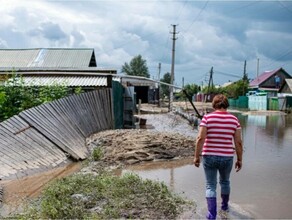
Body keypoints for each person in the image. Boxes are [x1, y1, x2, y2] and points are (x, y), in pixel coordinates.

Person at [194, 94, 243, 219]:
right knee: (225, 182)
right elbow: (238, 142)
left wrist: (196, 156)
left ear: (214, 105)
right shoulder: (234, 120)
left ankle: (212, 215)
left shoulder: (207, 118)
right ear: (226, 105)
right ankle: (225, 207)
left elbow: (200, 138)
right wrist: (240, 159)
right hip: (227, 157)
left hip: (209, 156)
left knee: (211, 185)